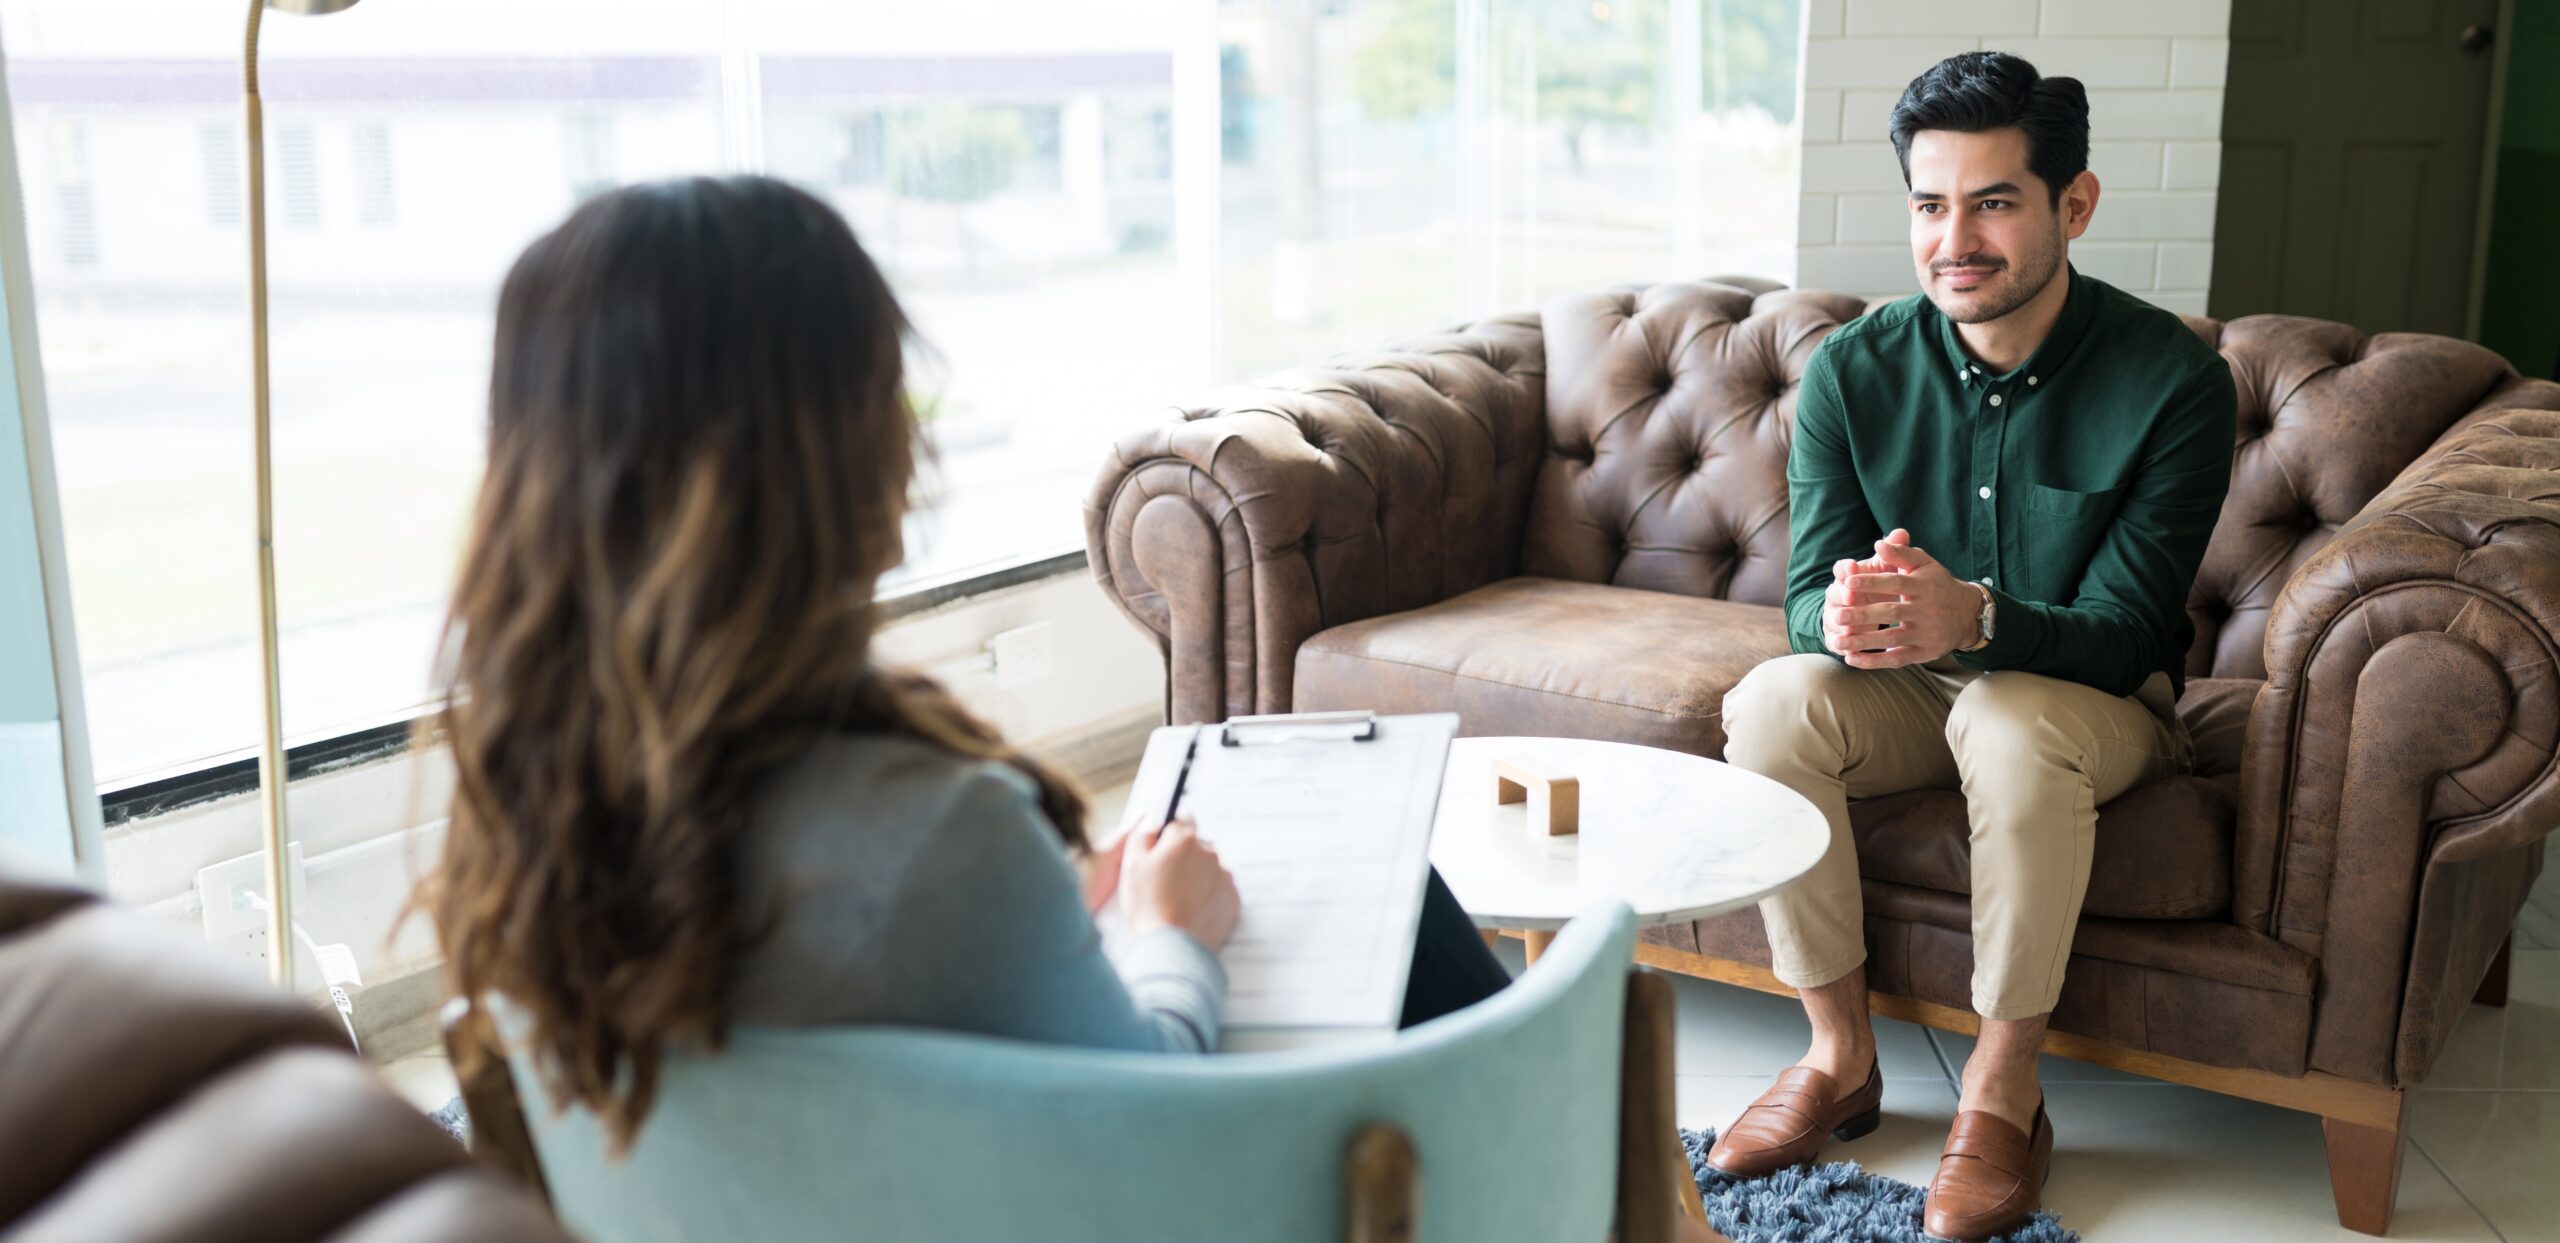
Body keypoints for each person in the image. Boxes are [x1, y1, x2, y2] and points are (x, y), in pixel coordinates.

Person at [420, 175, 1512, 1154]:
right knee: (1387, 901)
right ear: (834, 457)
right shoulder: (937, 832)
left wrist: (1044, 909)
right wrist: (1172, 933)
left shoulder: (518, 803)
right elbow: (1150, 1115)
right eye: (887, 390)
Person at [1704, 52, 2237, 1242]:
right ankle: (1839, 1056)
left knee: (2005, 713)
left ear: (2073, 206)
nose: (1957, 239)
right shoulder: (1851, 366)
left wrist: (1980, 617)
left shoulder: (2175, 383)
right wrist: (1839, 619)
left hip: (2087, 703)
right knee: (1773, 700)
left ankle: (2003, 1094)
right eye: (1930, 206)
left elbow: (2128, 633)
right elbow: (1804, 599)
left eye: (1994, 202)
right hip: (1906, 688)